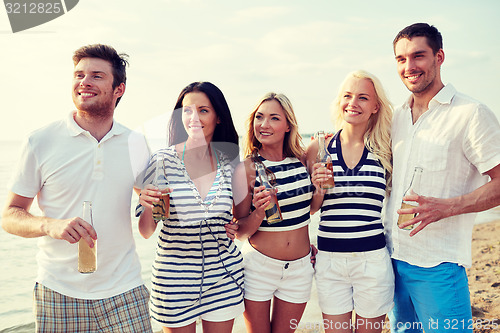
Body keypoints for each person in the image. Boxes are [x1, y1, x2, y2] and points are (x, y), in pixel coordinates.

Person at [1, 44, 153, 332]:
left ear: (118, 89)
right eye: (79, 75)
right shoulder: (40, 141)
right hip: (58, 292)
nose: (84, 82)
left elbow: (150, 208)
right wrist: (50, 225)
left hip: (125, 289)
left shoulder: (136, 143)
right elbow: (10, 215)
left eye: (96, 75)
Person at [386, 23, 500, 333]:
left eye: (418, 56)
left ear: (439, 57)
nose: (409, 67)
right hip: (393, 261)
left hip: (438, 265)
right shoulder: (395, 116)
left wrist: (447, 208)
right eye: (400, 59)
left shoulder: (471, 113)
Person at [137, 81, 244, 333]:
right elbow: (145, 231)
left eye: (203, 110)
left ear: (218, 117)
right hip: (174, 280)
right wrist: (148, 205)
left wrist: (237, 227)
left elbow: (241, 221)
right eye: (186, 110)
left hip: (223, 276)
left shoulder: (230, 163)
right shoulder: (161, 161)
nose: (193, 117)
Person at [305, 70, 394, 333]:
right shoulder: (318, 147)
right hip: (330, 260)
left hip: (372, 260)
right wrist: (318, 187)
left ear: (375, 106)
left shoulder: (385, 148)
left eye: (363, 98)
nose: (353, 103)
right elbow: (309, 209)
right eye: (347, 95)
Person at [232, 92, 322, 333]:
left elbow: (310, 209)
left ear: (287, 125)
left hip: (300, 268)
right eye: (259, 117)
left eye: (273, 118)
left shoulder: (302, 162)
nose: (264, 124)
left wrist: (321, 186)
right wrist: (259, 212)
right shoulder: (246, 169)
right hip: (258, 267)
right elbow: (239, 230)